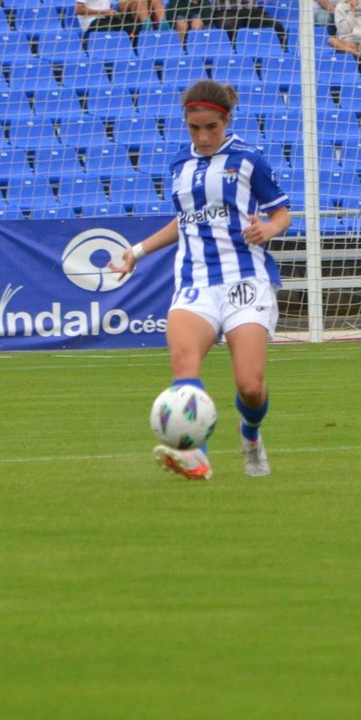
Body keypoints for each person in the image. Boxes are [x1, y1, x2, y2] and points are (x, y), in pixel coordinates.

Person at [109, 80, 293, 482]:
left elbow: (282, 213)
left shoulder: (248, 160)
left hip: (245, 280)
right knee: (184, 366)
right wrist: (137, 251)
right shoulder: (180, 164)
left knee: (250, 387)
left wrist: (269, 229)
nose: (203, 136)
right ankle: (196, 456)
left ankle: (251, 435)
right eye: (195, 128)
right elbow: (187, 220)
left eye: (211, 127)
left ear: (226, 120)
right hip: (194, 281)